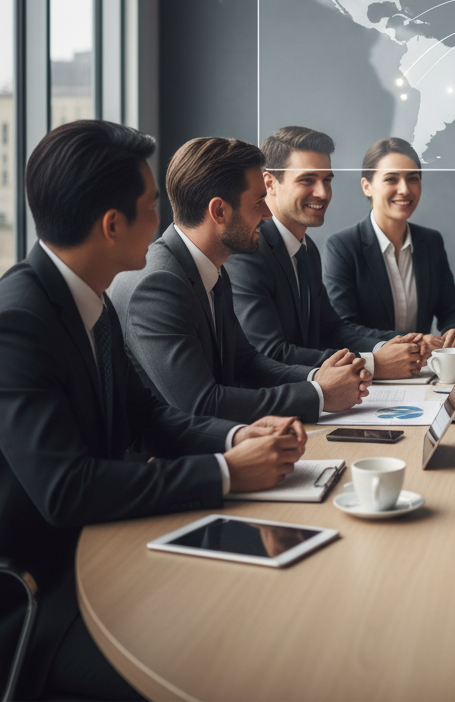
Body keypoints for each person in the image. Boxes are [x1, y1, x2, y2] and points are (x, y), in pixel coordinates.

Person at [0, 121, 304, 701]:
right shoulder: (19, 322)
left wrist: (237, 436)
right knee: (221, 666)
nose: (162, 219)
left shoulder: (92, 294)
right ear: (112, 225)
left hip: (109, 549)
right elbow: (66, 489)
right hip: (41, 596)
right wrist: (226, 473)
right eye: (149, 206)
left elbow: (150, 416)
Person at [110, 137, 371, 424]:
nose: (268, 214)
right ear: (219, 211)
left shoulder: (211, 267)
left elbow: (246, 362)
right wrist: (319, 394)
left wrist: (317, 376)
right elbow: (201, 403)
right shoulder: (158, 285)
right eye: (259, 201)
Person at [225, 126, 427, 379]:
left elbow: (331, 330)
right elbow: (271, 352)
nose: (322, 193)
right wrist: (373, 363)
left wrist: (404, 342)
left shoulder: (307, 251)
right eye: (307, 180)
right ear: (270, 183)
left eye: (327, 180)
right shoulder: (248, 251)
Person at [323, 137, 455, 355]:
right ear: (367, 186)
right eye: (391, 179)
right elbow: (343, 328)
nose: (404, 189)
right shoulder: (342, 246)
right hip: (372, 372)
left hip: (422, 370)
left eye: (412, 178)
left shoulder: (431, 242)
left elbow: (452, 310)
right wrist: (414, 340)